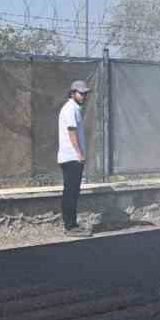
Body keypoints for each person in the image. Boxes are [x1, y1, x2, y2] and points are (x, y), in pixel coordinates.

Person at [58, 80, 90, 235]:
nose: (84, 96)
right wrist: (80, 154)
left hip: (71, 157)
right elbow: (71, 132)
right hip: (72, 157)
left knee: (72, 191)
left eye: (85, 93)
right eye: (81, 93)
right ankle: (70, 226)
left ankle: (72, 224)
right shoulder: (71, 109)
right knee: (71, 192)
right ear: (72, 93)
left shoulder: (73, 108)